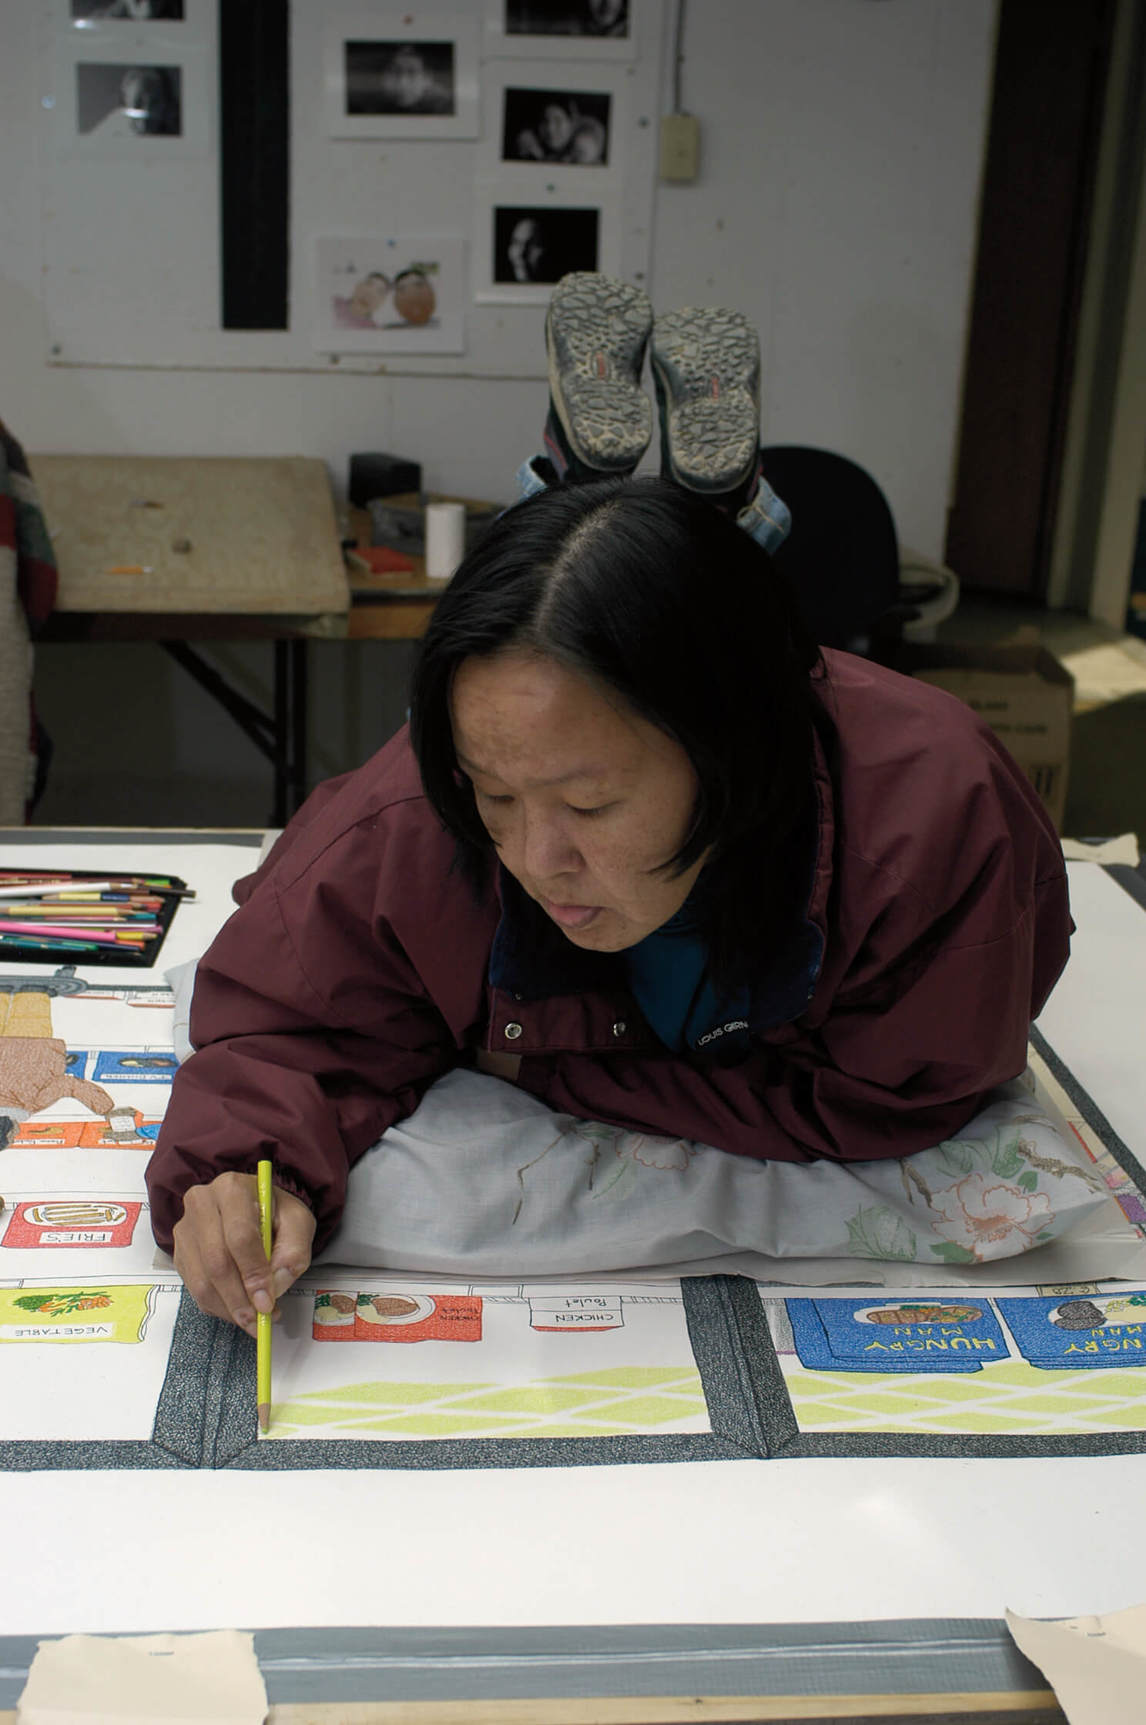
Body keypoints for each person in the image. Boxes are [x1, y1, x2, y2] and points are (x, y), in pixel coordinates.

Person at [147, 272, 1072, 1335]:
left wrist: (536, 1062)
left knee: (679, 605)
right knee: (615, 594)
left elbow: (901, 1098)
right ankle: (636, 499)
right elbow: (290, 1024)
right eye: (495, 794)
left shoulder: (937, 813)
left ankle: (628, 494)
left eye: (590, 803)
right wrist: (240, 1172)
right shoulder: (419, 808)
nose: (536, 857)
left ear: (730, 755)